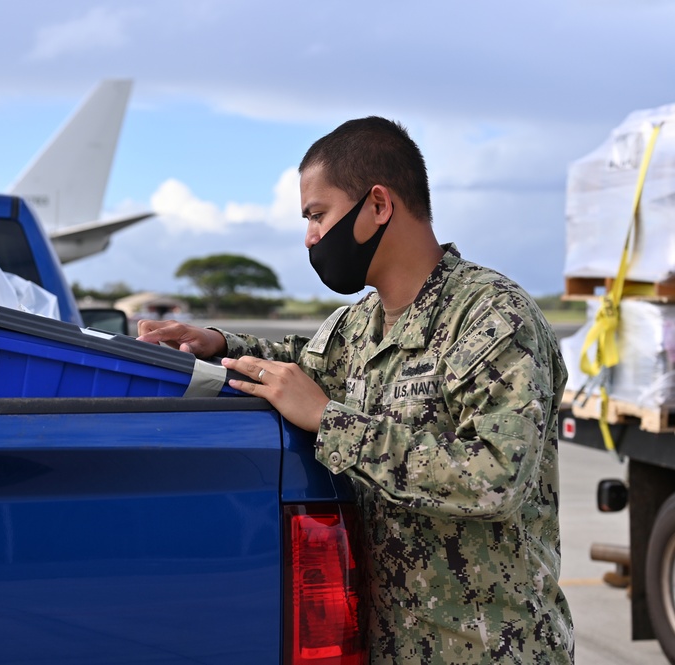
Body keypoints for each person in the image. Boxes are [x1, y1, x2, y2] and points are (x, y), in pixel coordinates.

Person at [137, 116, 574, 664]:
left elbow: (494, 478)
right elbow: (300, 359)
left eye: (318, 214)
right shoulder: (362, 323)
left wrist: (330, 421)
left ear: (378, 205)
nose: (310, 236)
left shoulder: (494, 320)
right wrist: (215, 341)